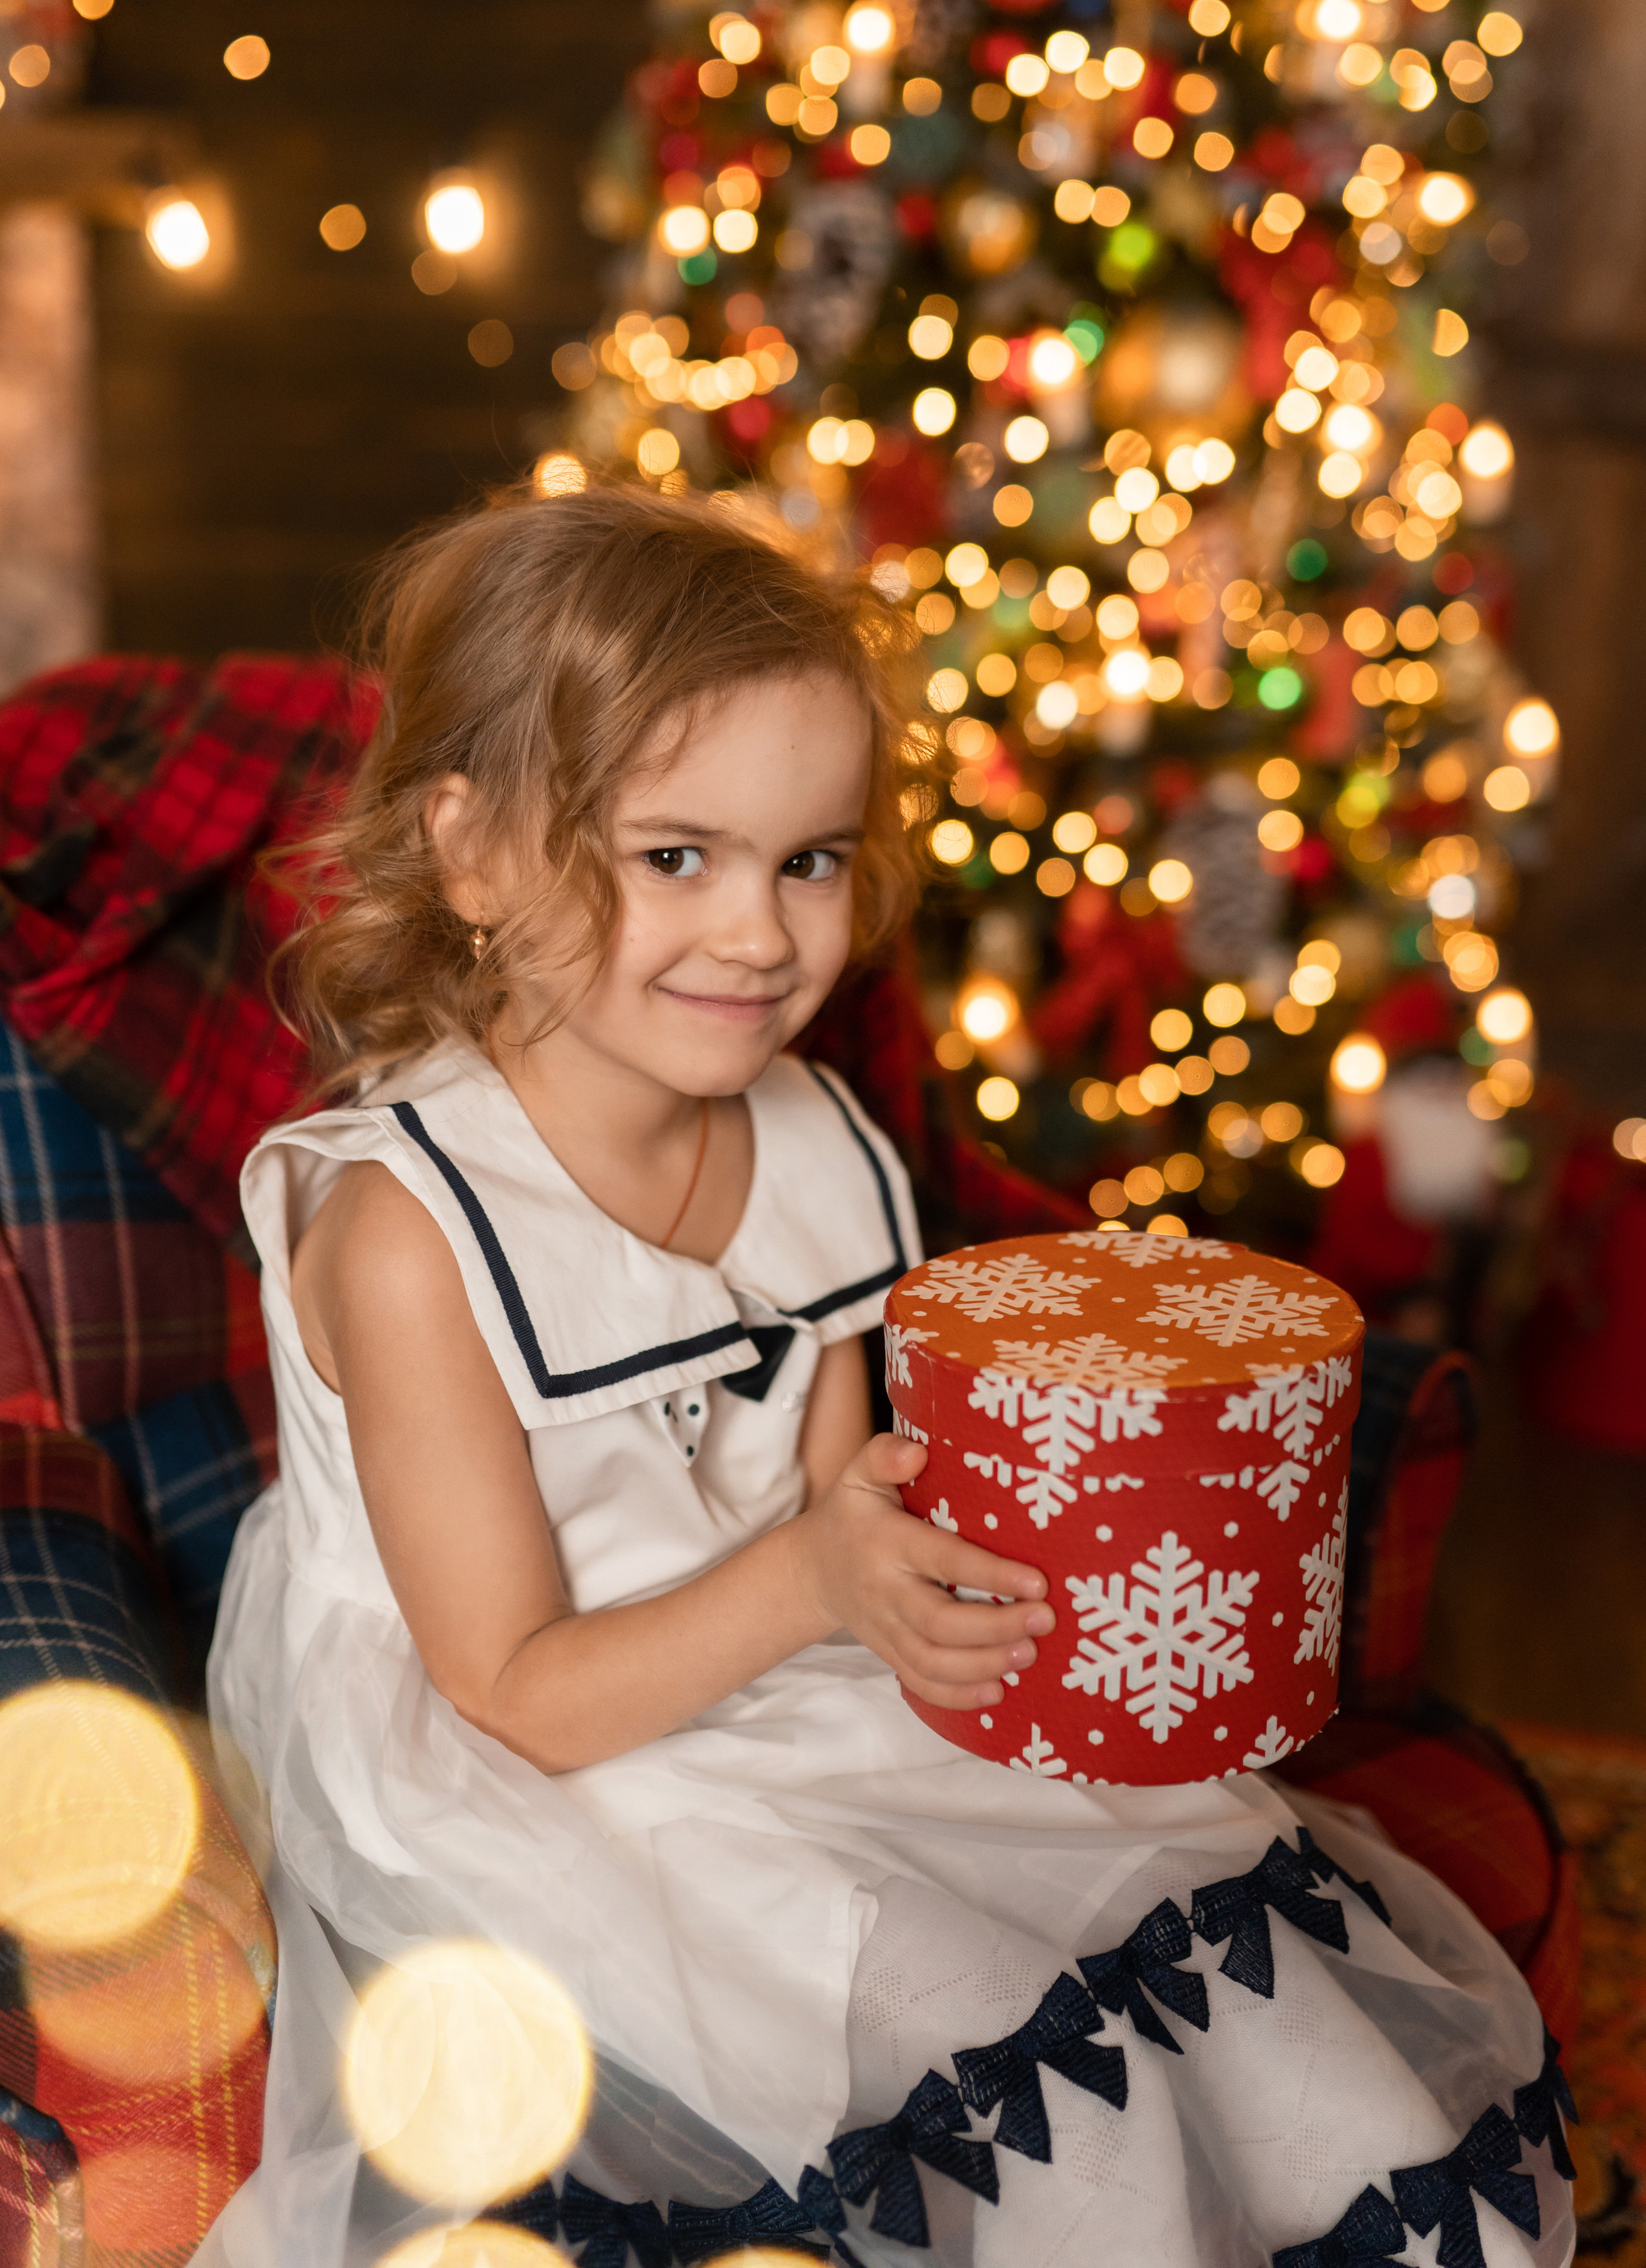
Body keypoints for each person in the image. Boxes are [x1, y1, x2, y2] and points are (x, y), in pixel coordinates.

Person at [206, 482, 1574, 2268]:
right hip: (533, 1767)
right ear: (472, 854)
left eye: (812, 861)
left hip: (779, 1669)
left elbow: (834, 1498)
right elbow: (519, 1694)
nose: (762, 935)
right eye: (674, 856)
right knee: (993, 2033)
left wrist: (899, 1594)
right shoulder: (407, 1232)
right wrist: (822, 1581)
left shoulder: (816, 1141)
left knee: (1229, 1957)